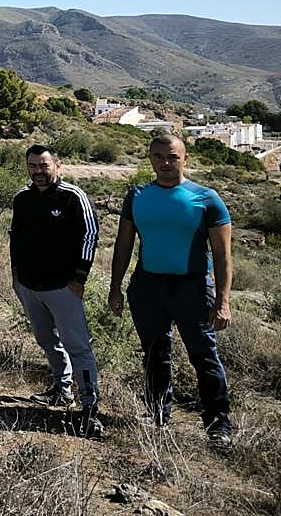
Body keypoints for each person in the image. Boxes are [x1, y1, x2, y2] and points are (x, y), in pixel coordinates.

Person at [108, 134, 234, 449]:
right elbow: (123, 246)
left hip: (192, 287)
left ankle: (218, 425)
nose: (165, 163)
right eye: (159, 156)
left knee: (204, 356)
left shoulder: (206, 198)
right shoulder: (137, 196)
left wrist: (223, 302)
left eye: (172, 157)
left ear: (185, 158)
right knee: (154, 353)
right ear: (150, 158)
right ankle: (158, 414)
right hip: (148, 286)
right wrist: (115, 288)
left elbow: (222, 255)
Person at [10, 144, 102, 437]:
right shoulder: (22, 198)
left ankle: (89, 406)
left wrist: (79, 278)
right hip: (29, 286)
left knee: (78, 346)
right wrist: (15, 275)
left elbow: (90, 235)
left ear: (57, 166)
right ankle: (62, 391)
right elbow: (16, 237)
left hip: (64, 287)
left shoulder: (73, 197)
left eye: (44, 165)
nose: (38, 171)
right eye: (33, 166)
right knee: (47, 341)